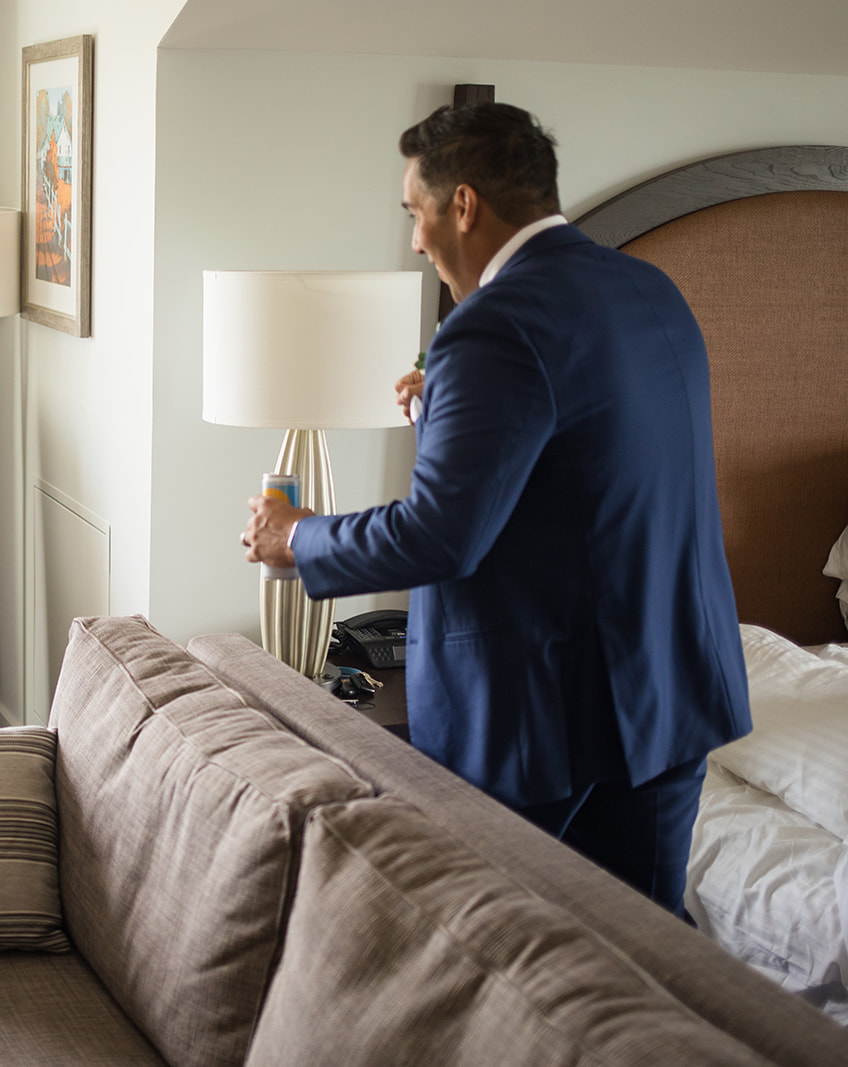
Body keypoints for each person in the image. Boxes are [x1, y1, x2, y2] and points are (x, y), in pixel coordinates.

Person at [241, 102, 750, 916]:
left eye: (415, 210)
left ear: (464, 204)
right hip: (670, 686)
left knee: (503, 954)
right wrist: (437, 412)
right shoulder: (648, 288)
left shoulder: (494, 327)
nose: (414, 238)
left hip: (542, 720)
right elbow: (588, 463)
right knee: (646, 959)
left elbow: (441, 535)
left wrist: (299, 538)